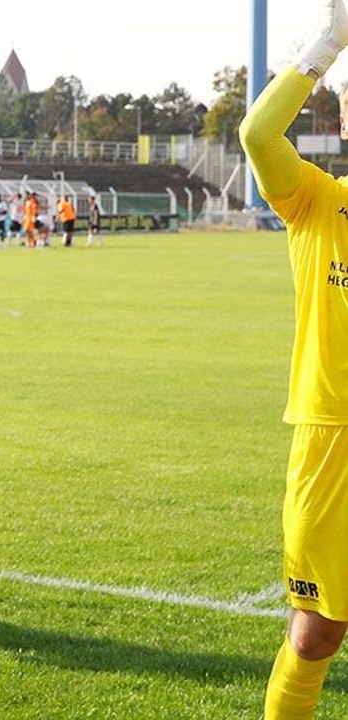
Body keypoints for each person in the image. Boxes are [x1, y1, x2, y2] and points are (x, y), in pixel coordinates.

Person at [240, 2, 348, 715]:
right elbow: (256, 131)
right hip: (330, 436)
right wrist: (331, 41)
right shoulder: (317, 199)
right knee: (316, 633)